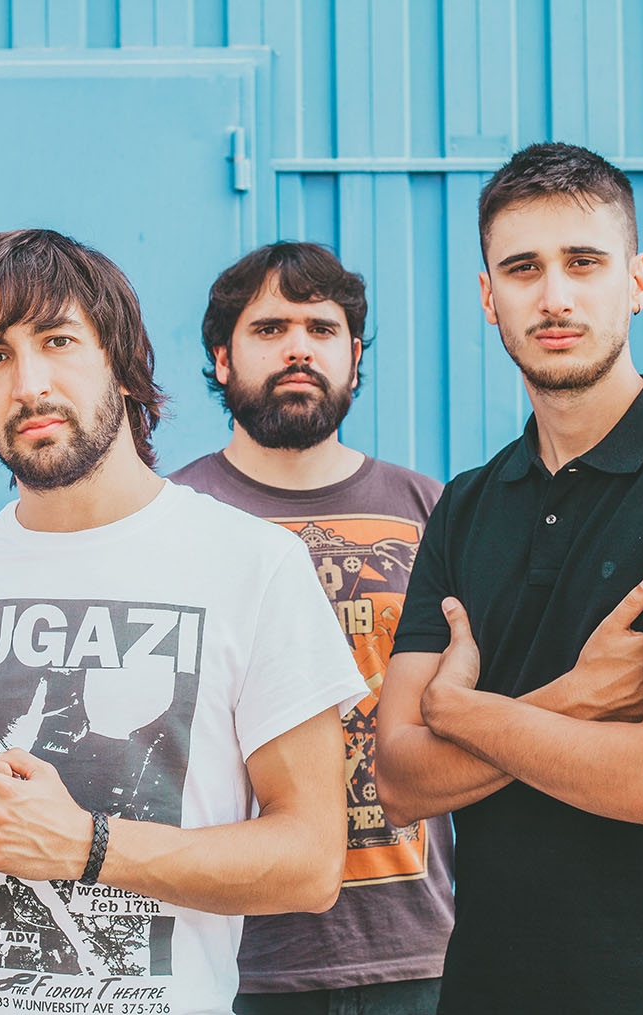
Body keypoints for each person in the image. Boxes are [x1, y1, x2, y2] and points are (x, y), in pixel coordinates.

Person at [0, 228, 369, 1015]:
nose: (28, 383)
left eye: (57, 341)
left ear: (123, 365)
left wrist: (83, 845)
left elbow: (310, 859)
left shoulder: (253, 563)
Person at [374, 142, 643, 1014]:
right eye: (522, 269)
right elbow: (402, 778)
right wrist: (571, 698)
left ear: (636, 281)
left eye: (583, 262)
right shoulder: (466, 506)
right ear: (488, 298)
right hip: (487, 989)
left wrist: (463, 712)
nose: (554, 296)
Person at [170, 242, 451, 1014]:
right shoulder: (170, 521)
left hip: (415, 951)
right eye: (270, 329)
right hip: (229, 963)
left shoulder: (431, 512)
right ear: (222, 358)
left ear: (354, 359)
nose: (298, 347)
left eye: (322, 329)